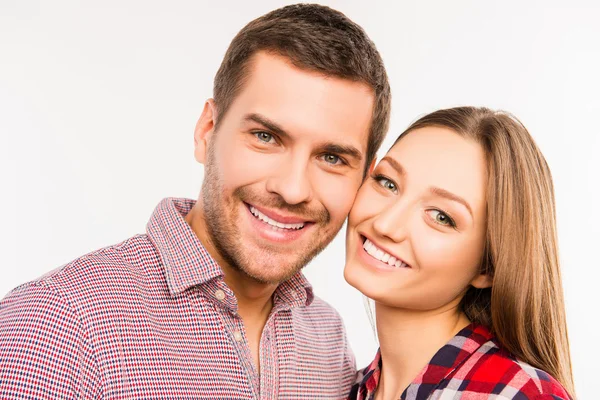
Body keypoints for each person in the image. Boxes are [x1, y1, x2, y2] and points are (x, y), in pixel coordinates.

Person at [0, 4, 391, 398]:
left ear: (366, 177)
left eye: (332, 158)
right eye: (265, 137)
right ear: (207, 132)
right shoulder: (55, 324)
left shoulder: (328, 341)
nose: (292, 189)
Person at [345, 107, 574, 399]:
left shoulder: (518, 394)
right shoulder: (346, 387)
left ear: (487, 268)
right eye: (388, 183)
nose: (385, 224)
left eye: (441, 217)